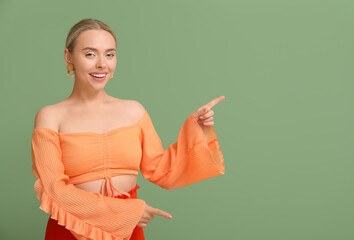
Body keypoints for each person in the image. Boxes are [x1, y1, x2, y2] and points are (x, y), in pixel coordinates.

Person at [31, 18, 225, 240]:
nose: (102, 64)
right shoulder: (50, 116)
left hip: (128, 230)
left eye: (110, 54)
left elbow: (160, 169)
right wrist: (128, 212)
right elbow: (54, 191)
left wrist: (197, 130)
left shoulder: (134, 111)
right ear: (69, 56)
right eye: (90, 54)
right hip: (73, 229)